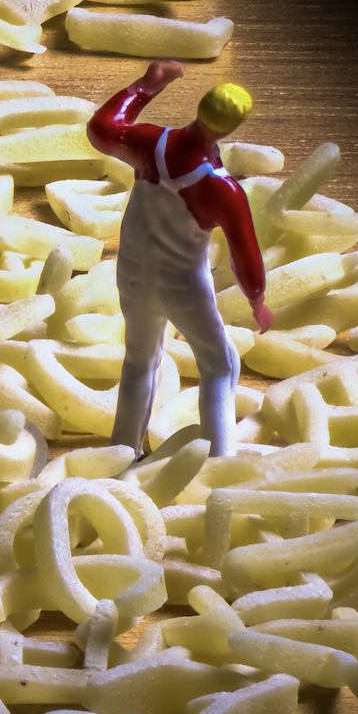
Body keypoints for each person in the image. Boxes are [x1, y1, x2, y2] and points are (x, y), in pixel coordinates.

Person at [87, 60, 272, 458]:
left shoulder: (151, 144)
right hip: (184, 286)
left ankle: (120, 453)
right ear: (230, 128)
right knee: (219, 364)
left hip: (133, 275)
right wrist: (257, 301)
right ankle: (219, 460)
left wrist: (148, 85)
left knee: (138, 361)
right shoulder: (221, 189)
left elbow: (101, 129)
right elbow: (246, 255)